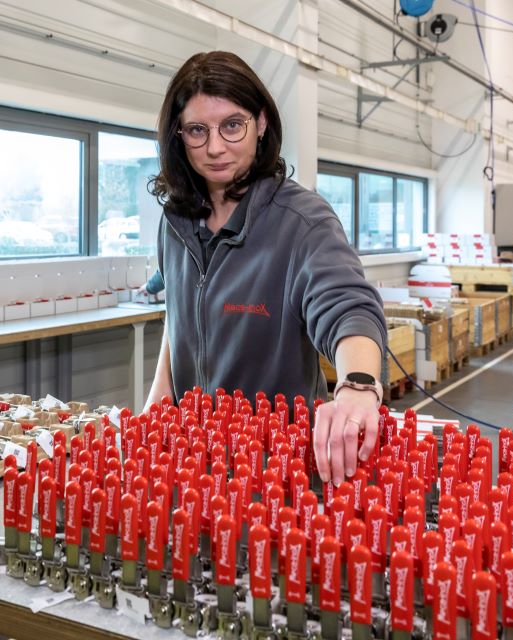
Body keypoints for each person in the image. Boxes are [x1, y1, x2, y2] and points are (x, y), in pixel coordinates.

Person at [145, 51, 388, 488]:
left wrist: (357, 384)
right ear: (178, 136)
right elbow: (177, 317)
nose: (215, 147)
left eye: (232, 125)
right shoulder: (176, 221)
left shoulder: (302, 222)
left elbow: (349, 308)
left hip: (277, 469)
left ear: (261, 123)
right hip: (191, 458)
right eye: (198, 130)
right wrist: (157, 403)